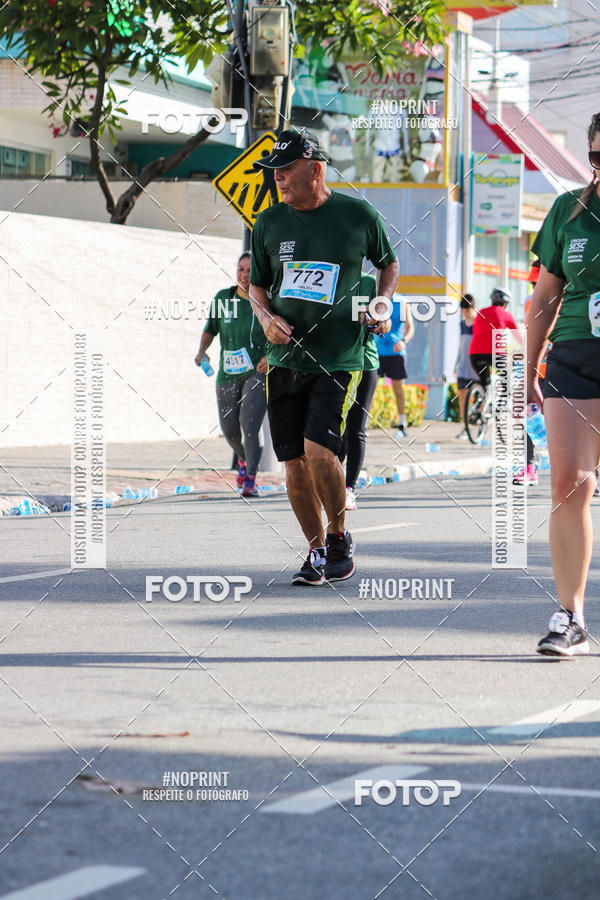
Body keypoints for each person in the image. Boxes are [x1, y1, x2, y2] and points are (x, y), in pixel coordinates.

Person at [249, 128, 398, 585]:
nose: (278, 178)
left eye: (286, 169)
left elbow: (387, 264)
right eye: (274, 171)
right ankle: (316, 552)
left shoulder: (358, 216)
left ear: (315, 169)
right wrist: (266, 318)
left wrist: (384, 302)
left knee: (319, 450)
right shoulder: (269, 224)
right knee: (292, 460)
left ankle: (338, 536)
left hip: (339, 356)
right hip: (285, 359)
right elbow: (255, 286)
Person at [527, 112, 600, 656]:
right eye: (598, 157)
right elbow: (545, 296)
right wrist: (530, 365)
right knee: (569, 483)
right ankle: (570, 615)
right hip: (575, 356)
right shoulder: (568, 210)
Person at [195, 252, 268, 499]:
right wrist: (201, 351)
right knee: (229, 429)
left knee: (249, 423)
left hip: (256, 372)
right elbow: (210, 330)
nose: (245, 275)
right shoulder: (223, 298)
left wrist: (270, 357)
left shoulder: (265, 300)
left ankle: (251, 479)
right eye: (241, 270)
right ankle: (245, 460)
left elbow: (279, 330)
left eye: (250, 271)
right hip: (227, 373)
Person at [341, 273, 389, 511]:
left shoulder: (369, 283)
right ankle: (332, 479)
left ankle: (349, 489)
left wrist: (379, 322)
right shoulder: (329, 277)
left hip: (364, 362)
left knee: (356, 428)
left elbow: (385, 322)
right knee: (332, 426)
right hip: (334, 363)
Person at [514, 260, 544, 485]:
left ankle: (593, 472)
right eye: (534, 283)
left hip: (566, 367)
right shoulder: (529, 302)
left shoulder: (572, 297)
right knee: (529, 416)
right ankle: (529, 467)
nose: (536, 287)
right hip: (537, 370)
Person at [375, 295, 414, 438]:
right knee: (370, 389)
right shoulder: (376, 300)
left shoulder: (403, 302)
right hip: (376, 352)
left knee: (398, 389)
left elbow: (410, 327)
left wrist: (403, 341)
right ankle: (363, 425)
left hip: (396, 353)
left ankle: (402, 425)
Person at [469, 286, 519, 389]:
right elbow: (518, 336)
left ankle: (481, 399)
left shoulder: (481, 312)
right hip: (496, 353)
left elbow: (476, 331)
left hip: (475, 354)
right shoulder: (506, 314)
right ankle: (501, 404)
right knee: (506, 381)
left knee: (484, 383)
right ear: (505, 303)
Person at [454, 294, 478, 439]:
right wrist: (456, 363)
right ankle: (465, 426)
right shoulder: (462, 324)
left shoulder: (479, 323)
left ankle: (477, 419)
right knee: (462, 394)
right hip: (463, 363)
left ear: (474, 309)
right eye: (463, 311)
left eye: (468, 310)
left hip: (475, 364)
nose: (465, 313)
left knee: (476, 393)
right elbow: (461, 345)